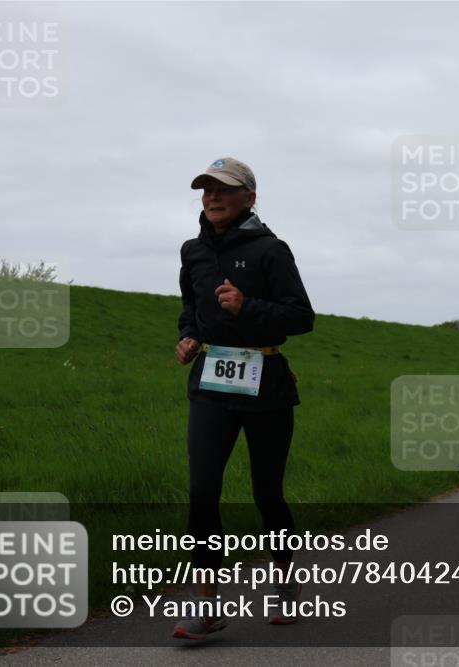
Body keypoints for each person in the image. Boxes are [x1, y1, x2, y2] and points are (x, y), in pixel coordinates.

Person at [174, 157, 315, 639]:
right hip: (212, 382)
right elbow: (190, 308)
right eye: (206, 190)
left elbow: (301, 317)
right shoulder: (192, 251)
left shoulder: (271, 250)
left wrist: (247, 305)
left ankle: (284, 579)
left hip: (267, 382)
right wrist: (189, 336)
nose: (212, 197)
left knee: (267, 494)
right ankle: (208, 605)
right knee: (202, 491)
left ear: (249, 198)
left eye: (224, 190)